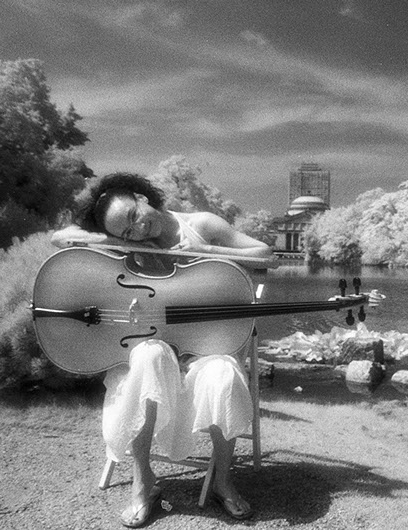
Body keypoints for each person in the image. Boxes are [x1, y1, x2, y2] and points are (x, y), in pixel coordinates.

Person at [52, 172, 273, 527]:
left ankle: (221, 481)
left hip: (205, 343)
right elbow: (59, 237)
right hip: (149, 342)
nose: (138, 230)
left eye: (133, 216)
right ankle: (144, 482)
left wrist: (207, 250)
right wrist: (110, 238)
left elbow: (265, 254)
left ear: (142, 196)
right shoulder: (125, 243)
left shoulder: (200, 223)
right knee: (150, 355)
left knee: (224, 373)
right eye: (127, 232)